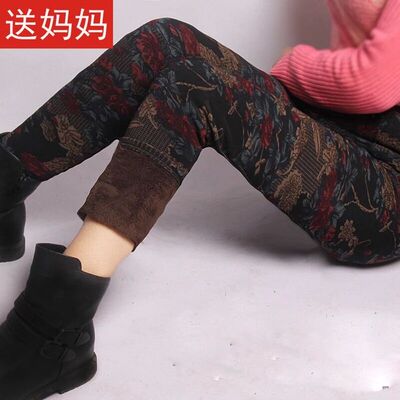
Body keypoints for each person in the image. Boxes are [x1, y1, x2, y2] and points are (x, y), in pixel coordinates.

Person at [0, 0, 400, 397]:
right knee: (164, 39)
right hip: (336, 122)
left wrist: (294, 62)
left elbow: (371, 84)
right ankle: (5, 185)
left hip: (384, 192)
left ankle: (52, 333)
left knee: (193, 88)